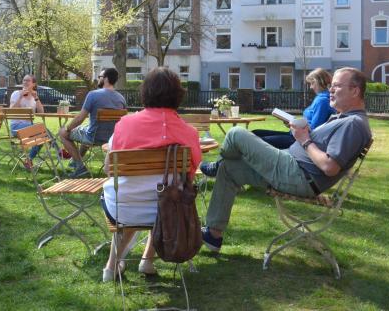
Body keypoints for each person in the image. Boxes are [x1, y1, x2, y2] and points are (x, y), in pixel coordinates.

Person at [199, 67, 372, 253]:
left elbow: (330, 166)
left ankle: (215, 166)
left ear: (355, 91)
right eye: (331, 86)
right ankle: (213, 235)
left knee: (236, 134)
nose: (330, 90)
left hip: (298, 175)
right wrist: (299, 133)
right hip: (293, 169)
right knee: (229, 168)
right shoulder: (345, 118)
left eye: (337, 86)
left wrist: (304, 140)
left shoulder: (353, 124)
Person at [101, 67, 202, 281]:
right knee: (160, 196)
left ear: (145, 92)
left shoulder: (125, 124)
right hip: (170, 212)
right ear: (178, 95)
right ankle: (146, 260)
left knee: (135, 196)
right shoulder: (189, 133)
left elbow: (109, 169)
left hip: (124, 208)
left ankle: (111, 268)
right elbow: (189, 178)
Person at [58, 68, 126, 178]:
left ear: (106, 79)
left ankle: (80, 167)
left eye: (100, 77)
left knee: (62, 133)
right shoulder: (121, 98)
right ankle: (74, 162)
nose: (98, 79)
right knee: (86, 129)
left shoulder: (93, 95)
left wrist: (67, 128)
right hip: (111, 139)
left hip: (93, 137)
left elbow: (80, 118)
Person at [250, 68, 335, 149]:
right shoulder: (321, 98)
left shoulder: (322, 101)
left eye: (312, 83)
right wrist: (293, 123)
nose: (311, 87)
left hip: (298, 139)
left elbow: (314, 130)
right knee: (255, 133)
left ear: (319, 82)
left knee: (256, 140)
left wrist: (295, 124)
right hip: (294, 135)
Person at [9, 74, 45, 169]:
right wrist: (20, 97)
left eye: (28, 81)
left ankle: (28, 160)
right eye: (24, 80)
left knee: (43, 136)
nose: (25, 82)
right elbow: (11, 111)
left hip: (30, 127)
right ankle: (58, 150)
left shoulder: (34, 97)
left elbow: (41, 113)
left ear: (33, 84)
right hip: (16, 128)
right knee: (43, 131)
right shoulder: (16, 93)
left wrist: (36, 98)